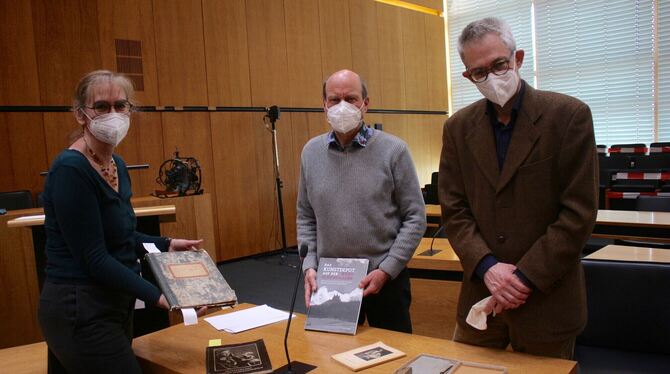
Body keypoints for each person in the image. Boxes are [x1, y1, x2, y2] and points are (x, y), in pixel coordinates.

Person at [438, 17, 598, 359]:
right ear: (468, 76)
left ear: (518, 58)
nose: (492, 77)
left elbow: (578, 214)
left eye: (499, 64)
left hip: (547, 300)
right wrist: (487, 267)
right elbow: (454, 210)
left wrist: (523, 277)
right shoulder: (457, 128)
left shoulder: (569, 116)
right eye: (479, 72)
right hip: (480, 297)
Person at [38, 70, 204, 373]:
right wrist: (163, 297)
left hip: (112, 305)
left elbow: (122, 235)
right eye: (101, 106)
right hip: (80, 308)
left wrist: (165, 244)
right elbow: (94, 257)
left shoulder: (116, 165)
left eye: (120, 105)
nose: (113, 114)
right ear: (80, 114)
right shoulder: (71, 170)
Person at [297, 69, 427, 333]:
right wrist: (309, 265)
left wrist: (388, 269)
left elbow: (415, 217)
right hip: (332, 281)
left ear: (365, 104)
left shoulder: (394, 151)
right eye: (334, 99)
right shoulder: (311, 152)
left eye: (351, 98)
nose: (342, 106)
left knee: (393, 359)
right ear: (324, 105)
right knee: (330, 355)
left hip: (385, 278)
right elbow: (306, 216)